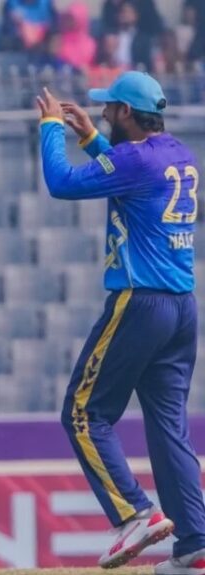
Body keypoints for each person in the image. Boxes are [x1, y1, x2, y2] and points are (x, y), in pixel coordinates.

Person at [37, 71, 205, 574]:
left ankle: (134, 513)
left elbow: (61, 183)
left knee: (83, 413)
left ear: (127, 112)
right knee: (169, 429)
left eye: (110, 107)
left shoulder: (135, 159)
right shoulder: (178, 154)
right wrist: (92, 137)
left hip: (140, 303)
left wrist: (51, 127)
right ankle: (195, 543)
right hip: (182, 309)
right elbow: (129, 173)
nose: (105, 112)